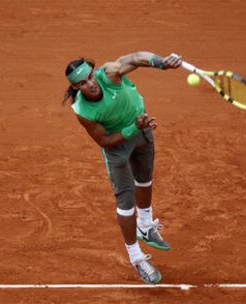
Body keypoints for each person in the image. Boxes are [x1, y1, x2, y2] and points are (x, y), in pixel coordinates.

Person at [63, 51, 182, 284]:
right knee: (126, 204)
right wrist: (132, 129)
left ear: (93, 72)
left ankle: (146, 225)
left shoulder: (109, 73)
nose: (90, 84)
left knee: (145, 179)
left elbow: (136, 58)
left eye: (89, 77)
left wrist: (160, 63)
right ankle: (136, 257)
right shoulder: (83, 111)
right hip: (117, 145)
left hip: (142, 126)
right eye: (82, 83)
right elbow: (104, 141)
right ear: (76, 87)